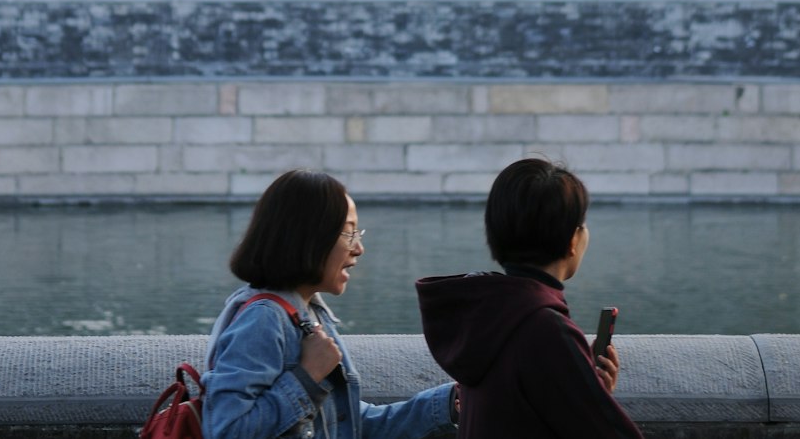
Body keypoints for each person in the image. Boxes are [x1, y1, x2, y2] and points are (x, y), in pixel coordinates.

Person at [203, 168, 457, 439]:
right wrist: (308, 376)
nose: (359, 248)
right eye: (348, 234)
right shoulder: (263, 319)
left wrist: (444, 405)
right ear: (308, 238)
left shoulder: (309, 313)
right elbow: (226, 430)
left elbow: (345, 424)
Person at [416, 157, 645, 439]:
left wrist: (592, 390)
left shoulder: (485, 314)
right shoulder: (545, 328)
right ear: (572, 241)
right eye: (582, 225)